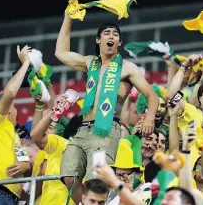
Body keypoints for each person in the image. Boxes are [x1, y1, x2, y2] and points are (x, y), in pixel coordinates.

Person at [56, 13, 159, 203]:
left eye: (115, 34)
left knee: (96, 180)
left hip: (106, 130)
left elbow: (151, 95)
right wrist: (68, 18)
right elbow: (60, 53)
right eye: (106, 33)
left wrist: (150, 117)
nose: (111, 36)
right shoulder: (90, 62)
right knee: (70, 177)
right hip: (82, 130)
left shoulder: (127, 67)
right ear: (98, 39)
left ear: (119, 42)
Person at [0, 45, 33, 205]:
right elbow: (9, 92)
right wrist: (25, 63)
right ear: (6, 109)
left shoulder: (14, 135)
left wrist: (25, 166)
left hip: (12, 196)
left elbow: (23, 159)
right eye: (13, 105)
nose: (16, 109)